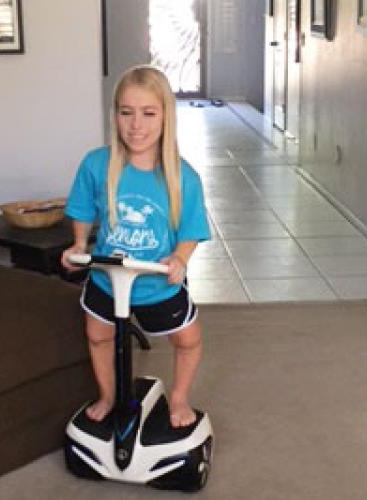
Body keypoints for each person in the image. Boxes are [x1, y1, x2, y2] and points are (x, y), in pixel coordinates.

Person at [61, 65, 210, 428]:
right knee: (98, 336)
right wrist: (79, 243)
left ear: (165, 117)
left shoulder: (182, 176)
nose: (136, 125)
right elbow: (81, 209)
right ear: (115, 115)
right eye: (126, 113)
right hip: (106, 281)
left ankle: (178, 398)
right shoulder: (97, 164)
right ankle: (109, 396)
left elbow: (191, 227)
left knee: (188, 340)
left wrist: (180, 258)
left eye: (148, 113)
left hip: (157, 284)